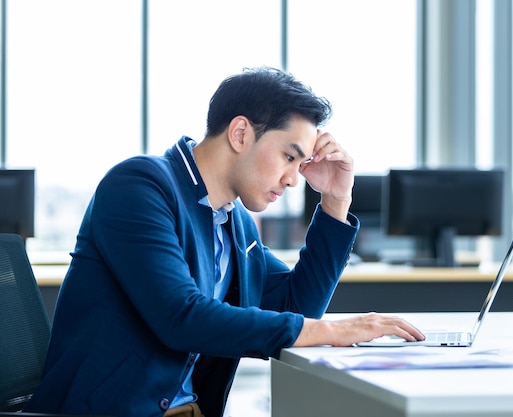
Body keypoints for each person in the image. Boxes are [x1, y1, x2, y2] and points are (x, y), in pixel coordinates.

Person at [25, 67, 424, 417]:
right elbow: (182, 317)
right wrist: (335, 330)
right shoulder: (140, 186)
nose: (293, 178)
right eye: (289, 156)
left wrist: (336, 201)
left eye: (301, 165)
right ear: (240, 133)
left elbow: (296, 309)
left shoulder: (235, 224)